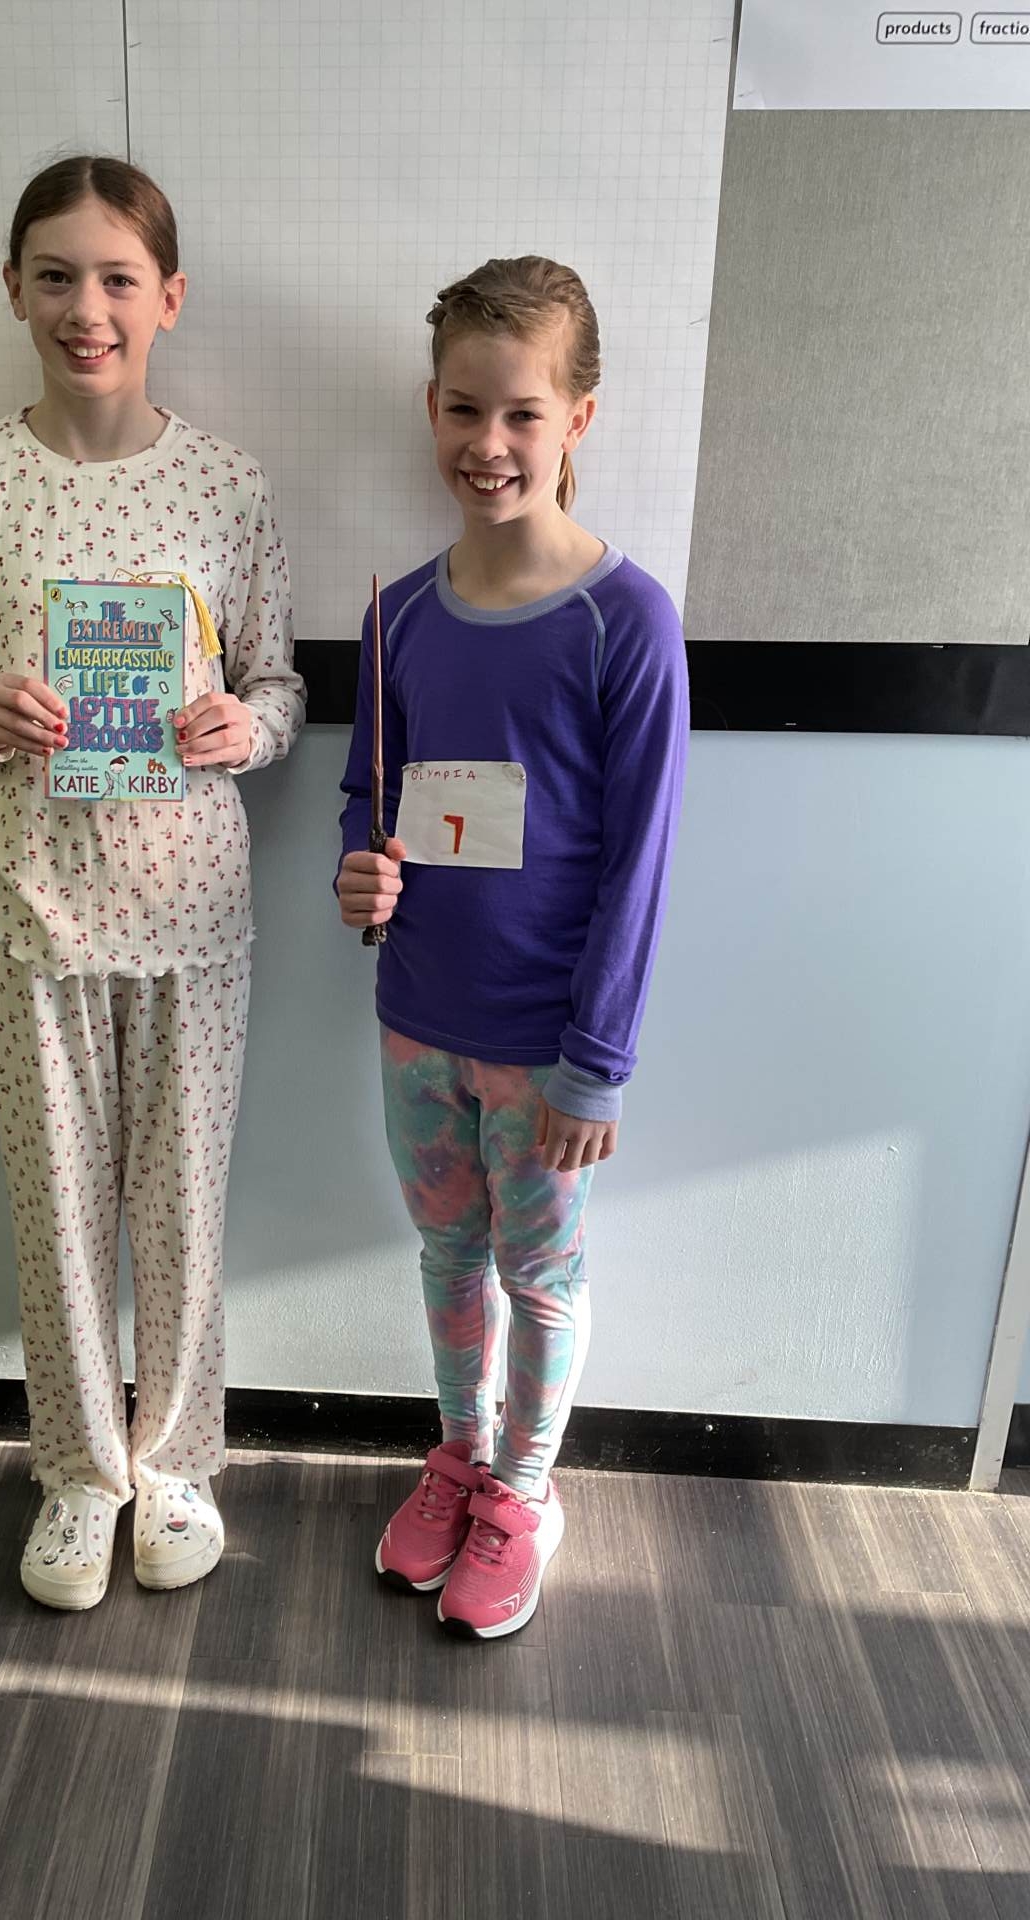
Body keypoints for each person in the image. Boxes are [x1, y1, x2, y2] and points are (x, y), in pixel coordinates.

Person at [0, 154, 303, 1610]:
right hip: (31, 914)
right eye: (57, 277)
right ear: (14, 289)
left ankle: (177, 1460)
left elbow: (279, 686)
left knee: (181, 1209)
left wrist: (248, 729)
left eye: (118, 279)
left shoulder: (227, 485)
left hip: (192, 915)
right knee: (57, 1211)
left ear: (168, 298)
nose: (88, 309)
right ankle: (78, 1471)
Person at [337, 256, 687, 1639]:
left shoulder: (625, 621)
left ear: (577, 420)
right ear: (430, 406)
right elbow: (370, 792)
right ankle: (462, 1457)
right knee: (446, 1257)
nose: (490, 443)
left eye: (523, 413)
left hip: (547, 1048)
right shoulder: (400, 614)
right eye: (465, 409)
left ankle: (526, 1494)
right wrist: (362, 871)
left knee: (540, 1278)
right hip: (418, 1024)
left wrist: (597, 1062)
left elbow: (640, 862)